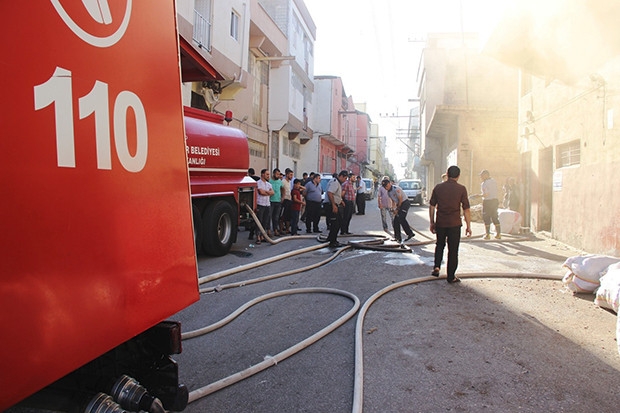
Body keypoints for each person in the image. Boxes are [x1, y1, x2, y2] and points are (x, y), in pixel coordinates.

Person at [429, 165, 472, 283]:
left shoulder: (438, 188)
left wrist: (432, 222)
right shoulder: (461, 189)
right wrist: (468, 226)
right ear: (458, 176)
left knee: (440, 245)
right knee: (453, 250)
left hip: (441, 222)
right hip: (454, 223)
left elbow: (432, 206)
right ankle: (451, 276)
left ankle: (437, 266)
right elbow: (466, 209)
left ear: (447, 174)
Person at [382, 179, 415, 243]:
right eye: (384, 187)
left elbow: (400, 199)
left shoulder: (396, 189)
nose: (386, 188)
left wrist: (397, 209)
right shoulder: (388, 192)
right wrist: (393, 208)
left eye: (386, 186)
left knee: (401, 218)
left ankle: (410, 233)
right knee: (395, 221)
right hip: (399, 204)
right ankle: (398, 237)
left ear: (389, 184)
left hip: (405, 203)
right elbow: (393, 201)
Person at [326, 170, 348, 248]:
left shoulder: (338, 183)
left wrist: (341, 201)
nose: (345, 180)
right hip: (332, 205)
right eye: (345, 178)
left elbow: (336, 195)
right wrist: (333, 205)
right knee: (335, 224)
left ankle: (332, 238)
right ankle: (332, 242)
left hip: (336, 204)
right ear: (341, 176)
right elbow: (330, 193)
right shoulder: (335, 182)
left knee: (338, 223)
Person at [479, 169, 501, 239]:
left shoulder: (484, 183)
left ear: (486, 175)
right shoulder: (494, 181)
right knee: (495, 216)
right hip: (495, 201)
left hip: (488, 202)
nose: (481, 177)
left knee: (486, 217)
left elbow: (486, 194)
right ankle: (498, 234)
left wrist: (478, 196)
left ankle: (487, 234)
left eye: (482, 176)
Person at [256, 168, 274, 244]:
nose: (268, 176)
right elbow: (261, 192)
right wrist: (268, 192)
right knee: (259, 221)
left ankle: (263, 236)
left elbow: (272, 193)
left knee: (265, 221)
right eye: (267, 174)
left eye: (268, 174)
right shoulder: (258, 183)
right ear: (262, 174)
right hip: (260, 204)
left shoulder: (269, 184)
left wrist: (267, 192)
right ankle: (258, 237)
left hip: (267, 204)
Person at [269, 168, 283, 236]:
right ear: (273, 174)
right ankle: (268, 230)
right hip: (271, 201)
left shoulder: (280, 181)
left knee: (276, 217)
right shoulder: (269, 181)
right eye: (277, 174)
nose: (278, 176)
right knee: (269, 216)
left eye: (279, 174)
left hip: (278, 201)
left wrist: (282, 197)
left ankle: (275, 230)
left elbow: (283, 188)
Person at [280, 168, 294, 234]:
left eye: (292, 175)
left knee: (289, 216)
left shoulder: (290, 182)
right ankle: (281, 229)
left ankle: (287, 229)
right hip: (284, 200)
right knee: (282, 216)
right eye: (290, 175)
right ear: (287, 174)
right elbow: (281, 190)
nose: (291, 176)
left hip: (289, 200)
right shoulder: (283, 181)